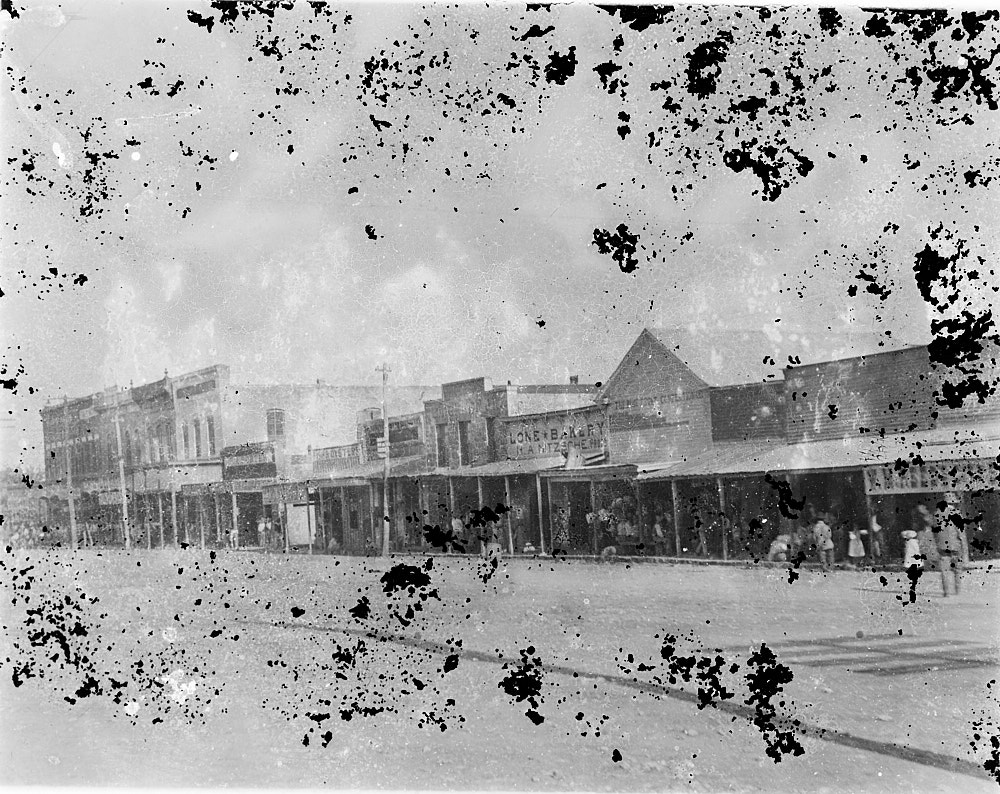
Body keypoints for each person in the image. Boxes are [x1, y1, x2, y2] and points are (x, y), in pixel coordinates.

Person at [934, 501, 963, 596]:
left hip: (942, 546)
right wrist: (962, 546)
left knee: (944, 570)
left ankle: (946, 592)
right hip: (955, 546)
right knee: (957, 569)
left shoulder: (937, 514)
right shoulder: (956, 513)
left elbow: (935, 530)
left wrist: (938, 543)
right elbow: (961, 532)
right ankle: (957, 591)